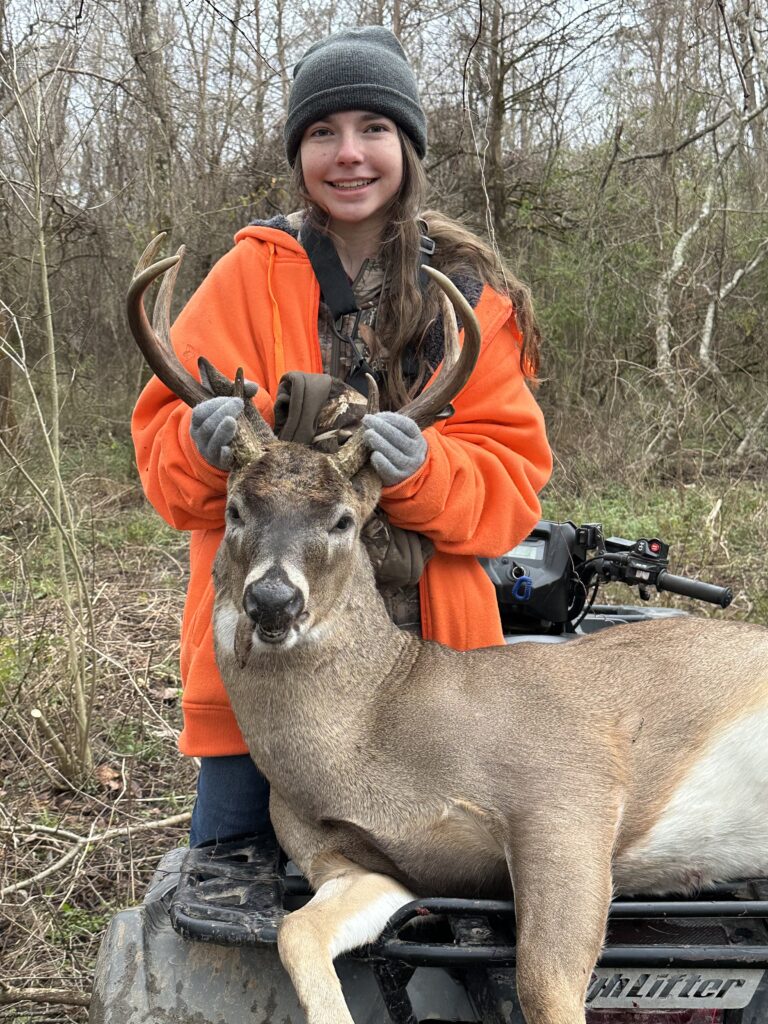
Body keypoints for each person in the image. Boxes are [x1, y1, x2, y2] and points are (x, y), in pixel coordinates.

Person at [132, 26, 552, 849]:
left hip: (432, 681)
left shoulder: (472, 300)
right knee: (230, 886)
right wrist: (197, 442)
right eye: (323, 132)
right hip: (266, 662)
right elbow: (167, 479)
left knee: (463, 931)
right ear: (299, 154)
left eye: (373, 129)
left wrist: (428, 470)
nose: (348, 154)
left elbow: (510, 493)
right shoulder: (246, 276)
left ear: (409, 146)